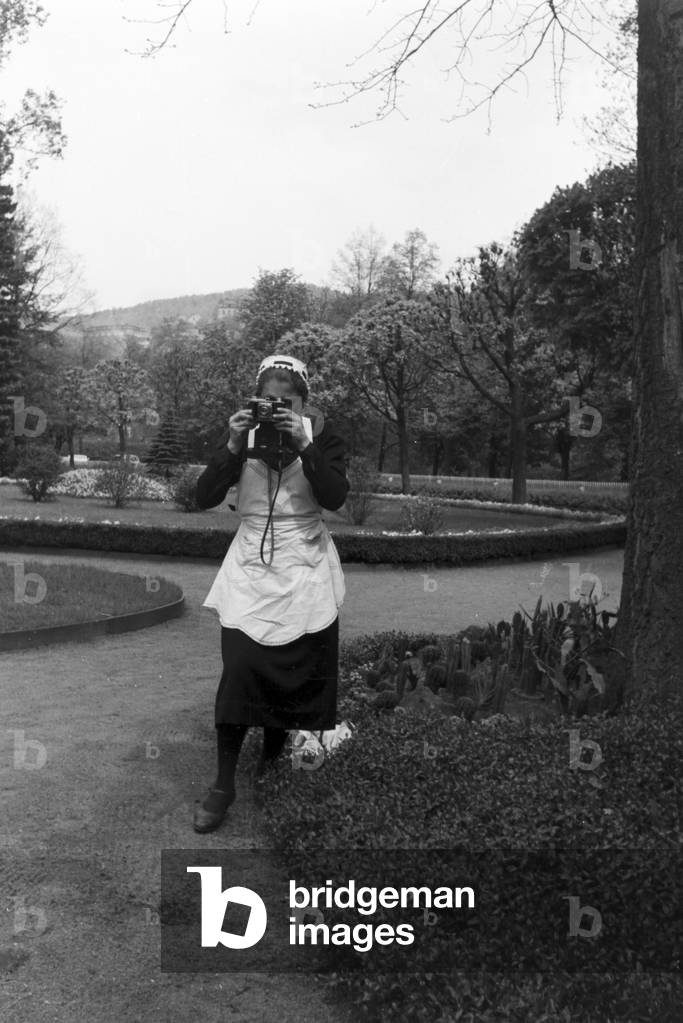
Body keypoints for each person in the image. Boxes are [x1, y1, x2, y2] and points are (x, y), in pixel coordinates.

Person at [193, 353, 349, 832]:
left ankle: (270, 762)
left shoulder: (323, 437)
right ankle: (223, 785)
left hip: (305, 565)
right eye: (268, 398)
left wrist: (305, 443)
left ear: (304, 401)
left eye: (287, 399)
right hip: (249, 570)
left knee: (293, 674)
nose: (276, 406)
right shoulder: (242, 437)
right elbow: (201, 497)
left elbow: (335, 496)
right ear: (256, 398)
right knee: (239, 670)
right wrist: (233, 443)